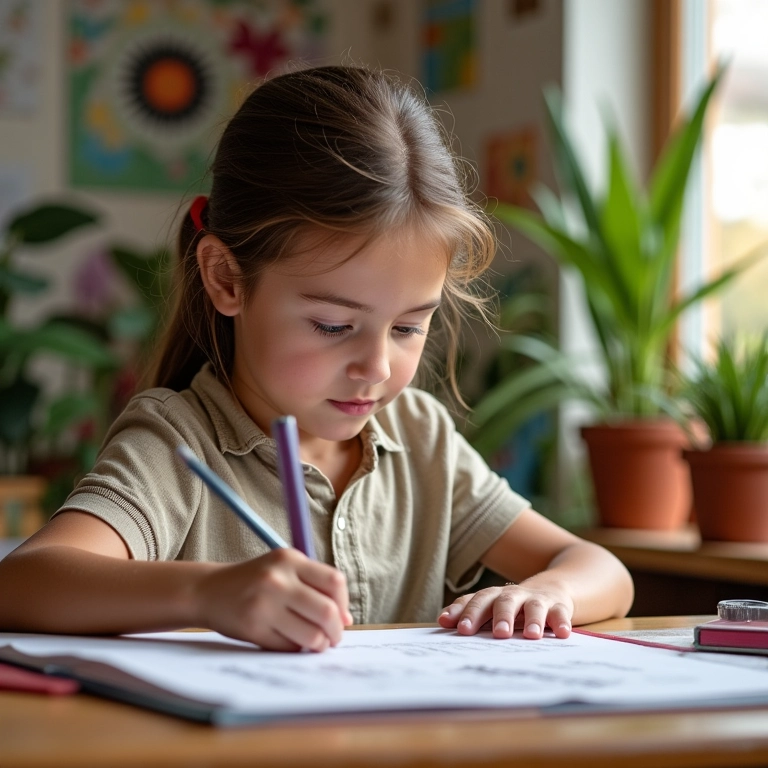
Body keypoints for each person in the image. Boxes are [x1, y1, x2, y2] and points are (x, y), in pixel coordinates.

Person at [0, 66, 633, 652]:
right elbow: (24, 582)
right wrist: (205, 593)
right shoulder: (178, 442)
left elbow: (602, 569)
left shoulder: (421, 439)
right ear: (226, 278)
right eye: (334, 325)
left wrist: (551, 592)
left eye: (411, 327)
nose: (377, 366)